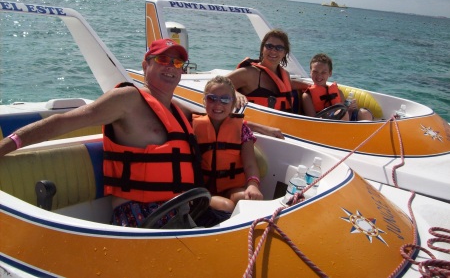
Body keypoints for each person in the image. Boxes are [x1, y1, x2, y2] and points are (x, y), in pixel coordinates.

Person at [0, 38, 204, 228]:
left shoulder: (179, 112)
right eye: (162, 59)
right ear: (145, 66)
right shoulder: (127, 99)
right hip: (141, 216)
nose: (170, 66)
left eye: (177, 63)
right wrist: (8, 145)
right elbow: (62, 122)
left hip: (182, 209)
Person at [192, 76, 263, 214]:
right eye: (212, 98)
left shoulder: (242, 130)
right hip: (200, 189)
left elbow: (250, 165)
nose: (218, 104)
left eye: (225, 100)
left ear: (233, 103)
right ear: (204, 100)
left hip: (231, 188)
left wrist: (253, 185)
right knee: (226, 206)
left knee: (247, 198)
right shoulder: (191, 127)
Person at [226, 29, 309, 112]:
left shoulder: (284, 75)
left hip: (282, 122)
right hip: (253, 123)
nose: (273, 51)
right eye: (269, 46)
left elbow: (290, 84)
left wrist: (313, 86)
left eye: (279, 48)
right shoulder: (249, 73)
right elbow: (216, 84)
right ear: (262, 49)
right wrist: (235, 94)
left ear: (284, 53)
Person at [301, 53, 373, 121]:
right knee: (341, 113)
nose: (319, 75)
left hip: (343, 121)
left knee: (364, 113)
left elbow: (346, 110)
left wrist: (351, 108)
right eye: (315, 72)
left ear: (330, 73)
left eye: (323, 72)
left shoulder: (338, 91)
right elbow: (312, 120)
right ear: (310, 72)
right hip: (325, 124)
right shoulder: (307, 96)